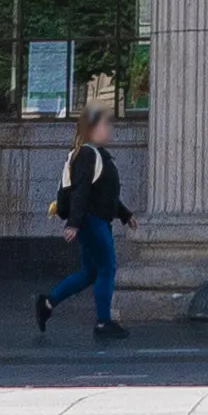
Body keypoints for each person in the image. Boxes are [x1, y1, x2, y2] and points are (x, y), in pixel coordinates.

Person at [37, 102, 131, 340]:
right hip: (92, 222)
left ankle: (48, 303)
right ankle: (103, 322)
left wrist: (125, 214)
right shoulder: (88, 154)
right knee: (107, 268)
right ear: (91, 128)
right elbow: (81, 192)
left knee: (90, 272)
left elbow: (104, 194)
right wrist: (74, 224)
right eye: (103, 125)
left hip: (93, 220)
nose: (107, 129)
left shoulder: (96, 154)